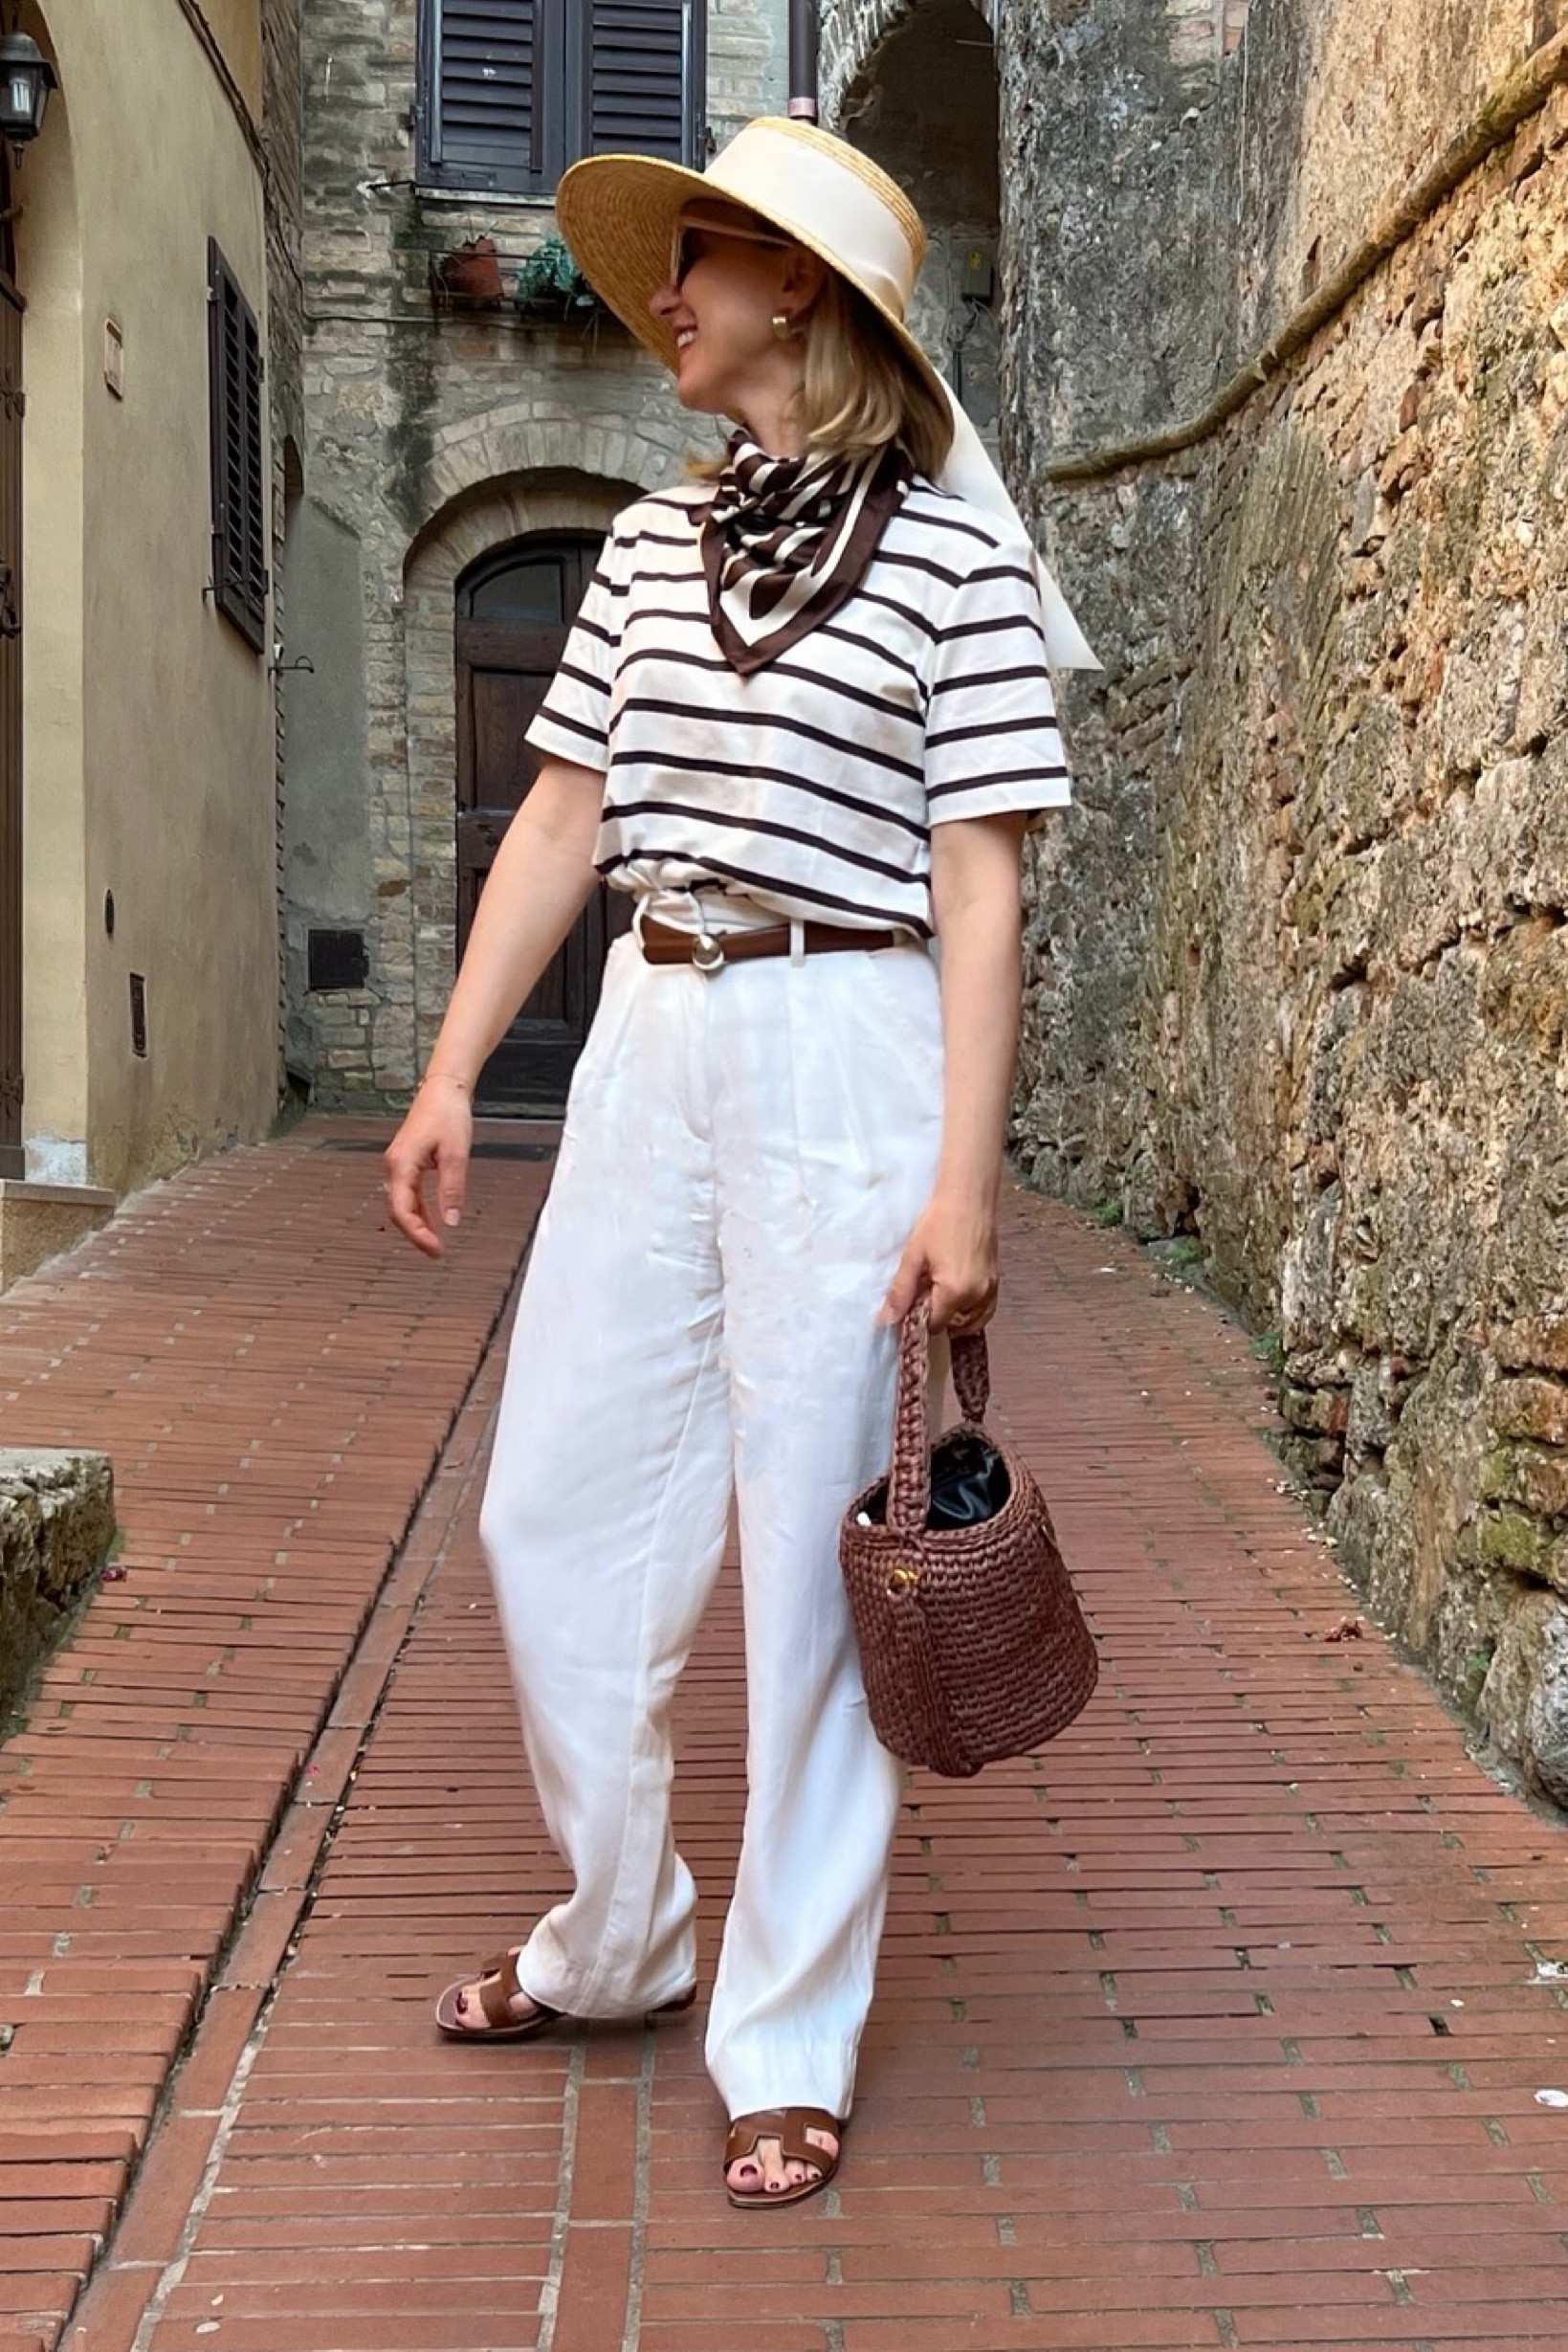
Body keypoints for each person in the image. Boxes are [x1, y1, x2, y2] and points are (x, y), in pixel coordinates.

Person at [383, 115, 1096, 2211]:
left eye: (696, 254)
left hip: (849, 1039)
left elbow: (980, 886)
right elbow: (560, 818)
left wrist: (965, 1185)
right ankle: (616, 1932)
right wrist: (450, 1070)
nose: (660, 294)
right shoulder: (639, 547)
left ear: (801, 288)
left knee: (808, 1550)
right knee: (551, 1506)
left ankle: (784, 2031)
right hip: (652, 1027)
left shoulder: (958, 564)